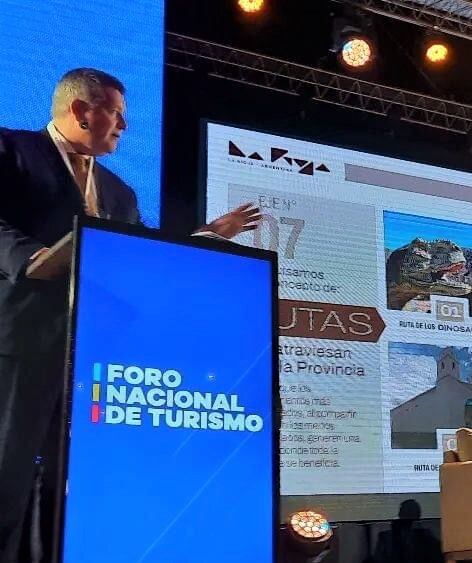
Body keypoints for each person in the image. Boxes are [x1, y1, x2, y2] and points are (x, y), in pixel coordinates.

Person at [0, 68, 260, 562]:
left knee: (72, 489)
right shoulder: (12, 151)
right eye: (117, 114)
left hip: (95, 361)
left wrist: (208, 236)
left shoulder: (119, 192)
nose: (124, 127)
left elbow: (143, 253)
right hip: (22, 344)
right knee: (7, 480)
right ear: (82, 110)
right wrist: (29, 259)